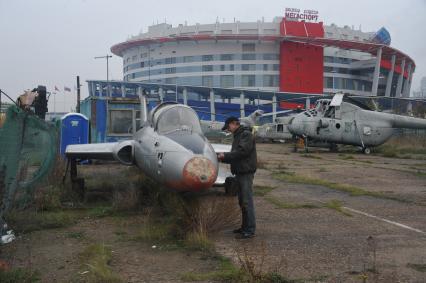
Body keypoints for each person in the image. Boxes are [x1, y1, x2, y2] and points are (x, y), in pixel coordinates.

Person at [217, 116, 257, 239]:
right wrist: (225, 158)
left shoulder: (246, 135)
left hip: (245, 172)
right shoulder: (238, 135)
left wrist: (224, 156)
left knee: (246, 201)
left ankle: (249, 230)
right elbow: (237, 155)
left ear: (234, 124)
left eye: (229, 127)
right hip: (240, 172)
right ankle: (244, 227)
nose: (228, 130)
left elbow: (242, 152)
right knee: (242, 201)